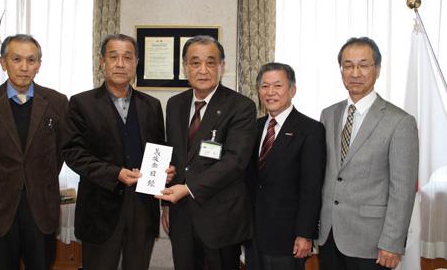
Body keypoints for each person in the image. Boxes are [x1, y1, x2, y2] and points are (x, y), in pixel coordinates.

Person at [62, 34, 174, 270]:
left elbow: (159, 149)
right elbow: (73, 153)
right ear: (102, 61)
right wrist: (115, 173)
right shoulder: (81, 104)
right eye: (114, 57)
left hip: (142, 209)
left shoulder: (151, 105)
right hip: (99, 209)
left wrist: (166, 172)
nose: (120, 64)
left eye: (127, 57)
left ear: (136, 63)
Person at [0, 34, 68, 270]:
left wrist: (38, 177)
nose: (24, 67)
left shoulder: (57, 102)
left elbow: (60, 152)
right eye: (16, 59)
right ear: (3, 63)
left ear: (39, 65)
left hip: (41, 209)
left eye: (31, 60)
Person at [317, 37, 419, 270]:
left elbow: (402, 190)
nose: (355, 72)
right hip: (329, 236)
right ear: (341, 70)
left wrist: (392, 243)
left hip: (372, 242)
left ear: (378, 70)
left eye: (363, 65)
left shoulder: (400, 122)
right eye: (348, 65)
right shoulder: (328, 114)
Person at [156, 35, 257, 270]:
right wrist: (166, 192)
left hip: (221, 218)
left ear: (222, 66)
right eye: (195, 62)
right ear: (184, 68)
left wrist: (189, 188)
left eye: (210, 62)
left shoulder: (241, 106)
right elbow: (175, 156)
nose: (203, 70)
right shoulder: (175, 104)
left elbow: (235, 161)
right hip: (181, 216)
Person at [245, 62, 326, 270]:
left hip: (288, 238)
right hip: (254, 235)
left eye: (277, 86)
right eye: (264, 86)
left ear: (292, 90)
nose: (270, 92)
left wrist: (305, 234)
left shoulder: (311, 130)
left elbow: (312, 188)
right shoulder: (253, 128)